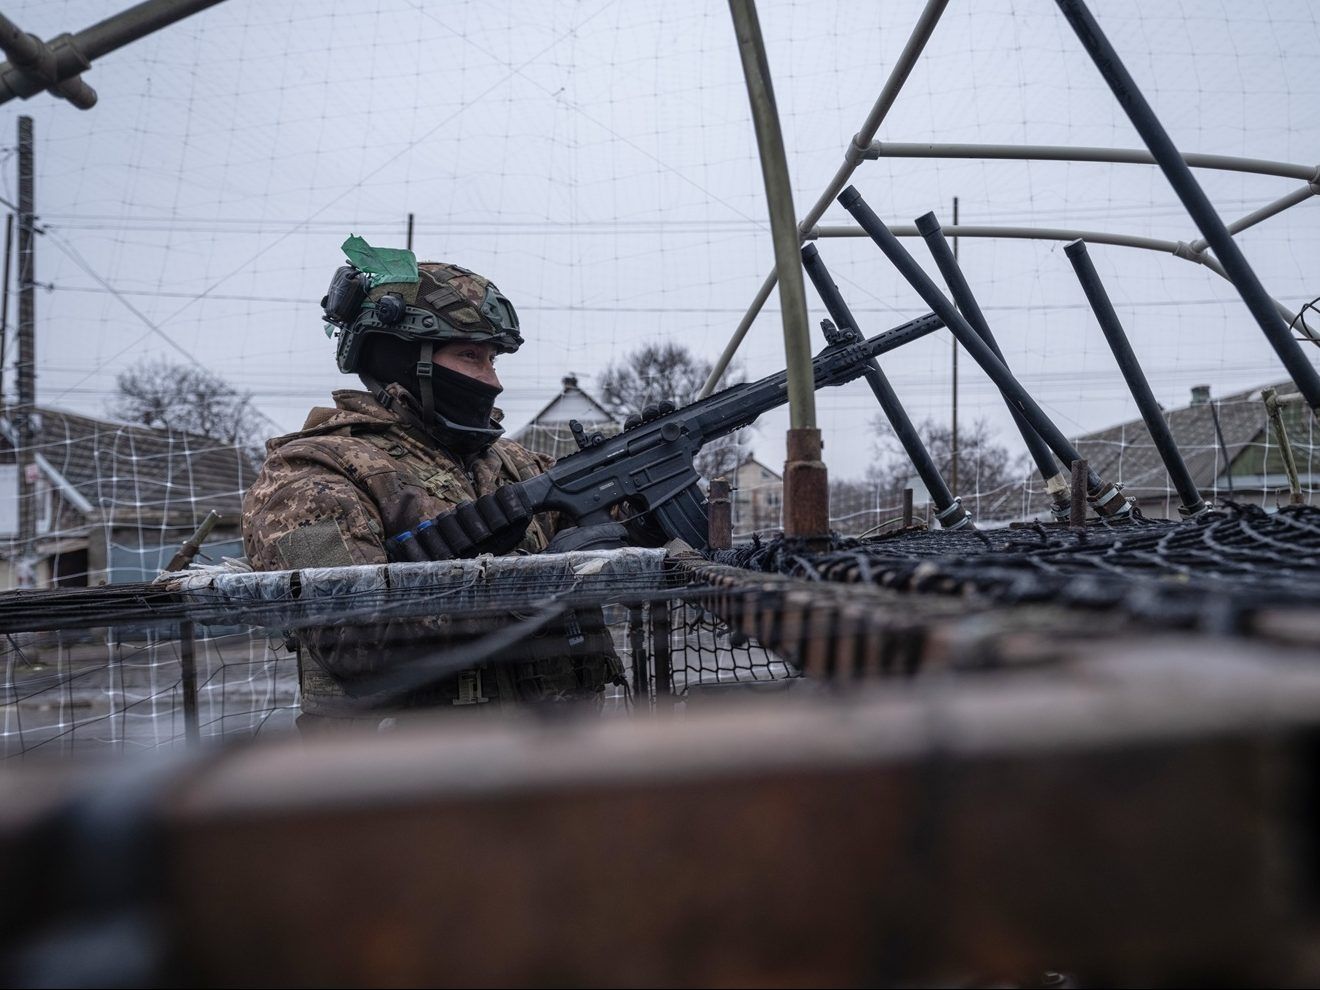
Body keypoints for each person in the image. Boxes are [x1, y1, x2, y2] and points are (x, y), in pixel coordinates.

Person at [242, 237, 620, 725]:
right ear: (403, 359)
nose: (493, 381)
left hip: (564, 765)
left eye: (494, 360)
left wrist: (652, 478)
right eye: (471, 357)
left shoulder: (509, 463)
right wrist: (532, 587)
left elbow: (614, 523)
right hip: (412, 781)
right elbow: (356, 643)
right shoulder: (309, 476)